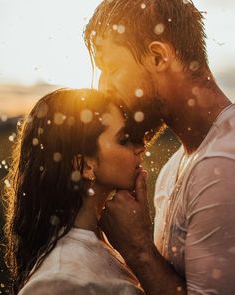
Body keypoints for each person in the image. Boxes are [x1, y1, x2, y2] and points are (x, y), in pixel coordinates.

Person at [84, 0, 235, 294]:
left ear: (157, 56)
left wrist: (138, 249)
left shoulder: (224, 163)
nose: (104, 87)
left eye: (112, 67)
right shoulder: (174, 167)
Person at [3, 88, 160, 294]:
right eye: (123, 140)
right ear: (85, 165)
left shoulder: (114, 241)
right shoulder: (59, 282)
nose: (140, 147)